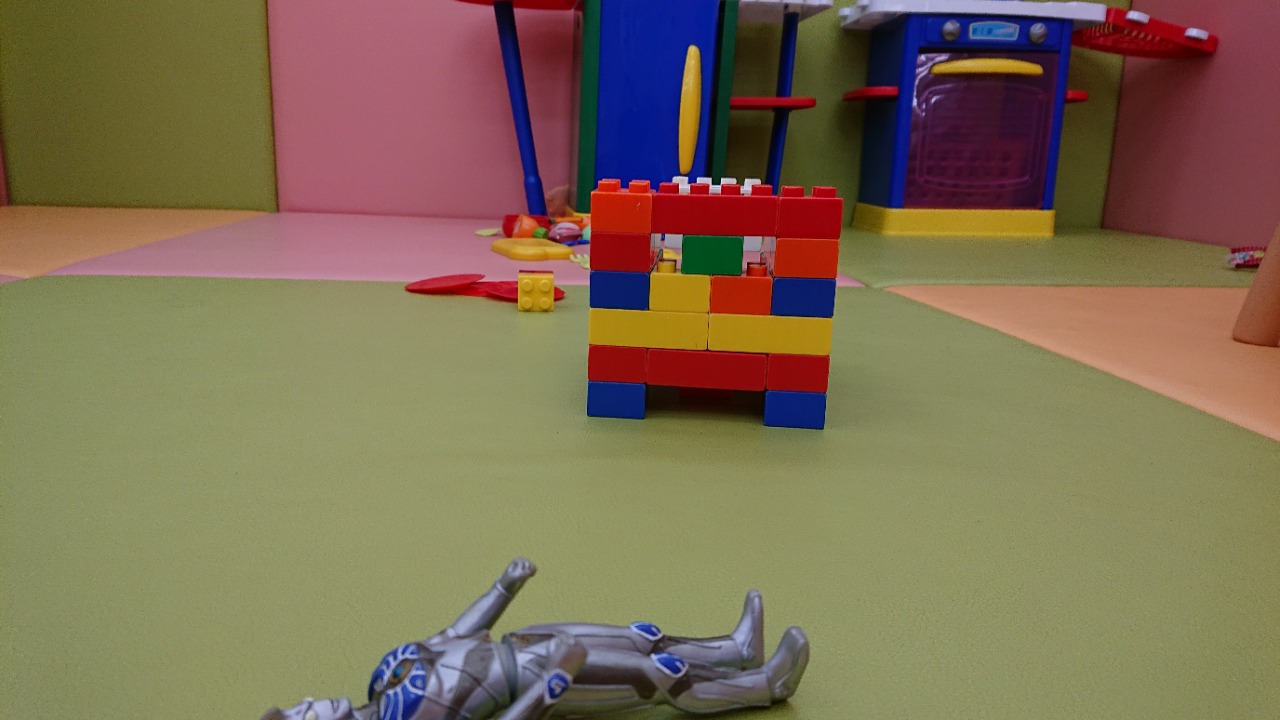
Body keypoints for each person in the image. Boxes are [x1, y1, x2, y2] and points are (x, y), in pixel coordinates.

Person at [262, 558, 809, 720]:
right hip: (539, 677)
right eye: (302, 716)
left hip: (525, 642)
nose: (310, 703)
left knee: (641, 639)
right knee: (659, 678)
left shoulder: (383, 681)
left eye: (299, 706)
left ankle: (736, 650)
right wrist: (553, 684)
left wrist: (503, 588)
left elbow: (454, 634)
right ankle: (766, 685)